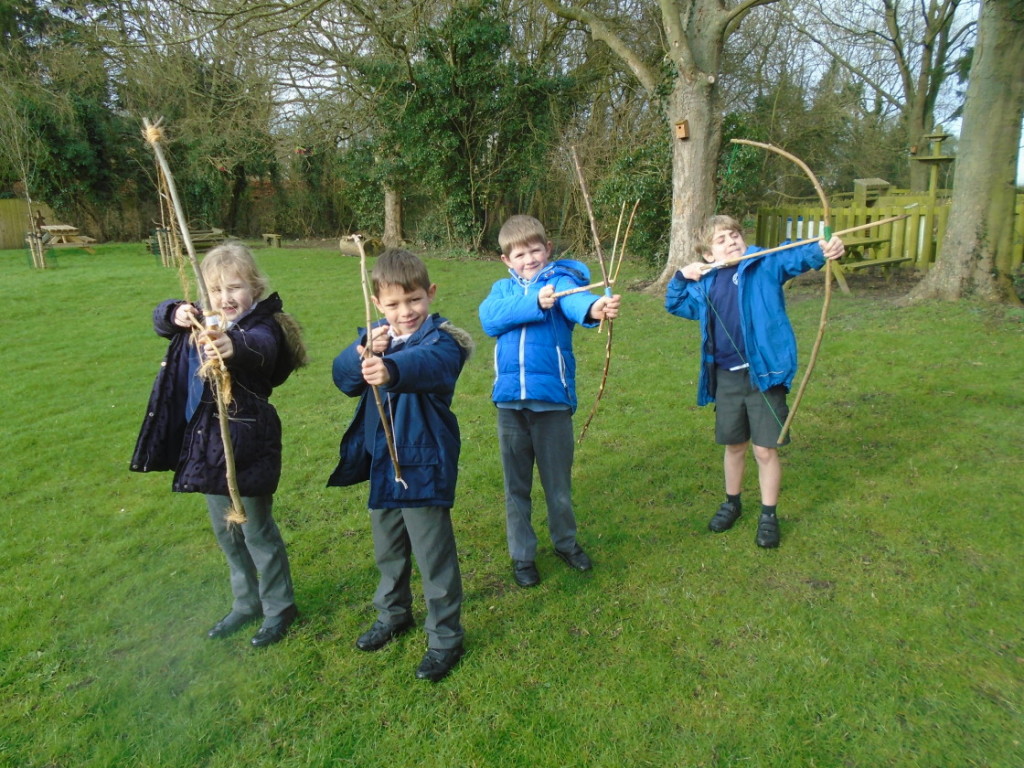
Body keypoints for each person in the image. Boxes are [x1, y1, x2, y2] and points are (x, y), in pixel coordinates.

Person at [131, 241, 306, 647]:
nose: (226, 298)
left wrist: (232, 347)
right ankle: (246, 603)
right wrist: (174, 311)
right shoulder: (201, 319)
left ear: (255, 289)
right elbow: (163, 319)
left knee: (257, 531)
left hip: (247, 443)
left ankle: (280, 607)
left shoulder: (264, 325)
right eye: (216, 291)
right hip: (208, 445)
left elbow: (261, 348)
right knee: (227, 533)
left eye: (235, 288)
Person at [328, 248, 473, 683]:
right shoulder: (373, 336)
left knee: (433, 557)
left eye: (413, 300)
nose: (404, 312)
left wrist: (389, 366)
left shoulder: (443, 340)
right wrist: (361, 354)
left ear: (430, 293)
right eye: (392, 304)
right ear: (378, 304)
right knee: (388, 550)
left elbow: (434, 367)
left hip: (423, 462)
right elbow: (342, 377)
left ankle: (445, 637)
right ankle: (393, 615)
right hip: (381, 464)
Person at [665, 215, 844, 548]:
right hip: (726, 377)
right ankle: (731, 503)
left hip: (765, 374)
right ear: (708, 255)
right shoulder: (704, 283)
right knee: (734, 446)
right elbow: (674, 303)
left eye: (734, 235)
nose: (732, 241)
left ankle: (768, 515)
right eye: (721, 240)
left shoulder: (762, 263)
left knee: (765, 449)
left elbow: (796, 255)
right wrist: (681, 276)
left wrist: (823, 248)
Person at [478, 214, 621, 588]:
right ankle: (522, 555)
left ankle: (566, 543)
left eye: (535, 250)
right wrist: (534, 301)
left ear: (548, 250)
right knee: (516, 486)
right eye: (519, 254)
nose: (529, 259)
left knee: (557, 485)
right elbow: (490, 320)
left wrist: (596, 308)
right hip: (510, 404)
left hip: (552, 404)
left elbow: (579, 303)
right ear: (506, 260)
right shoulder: (502, 291)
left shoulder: (561, 283)